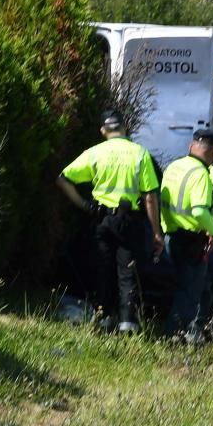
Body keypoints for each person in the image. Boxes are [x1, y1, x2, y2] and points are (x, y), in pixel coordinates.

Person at [57, 110, 163, 334]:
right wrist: (156, 232)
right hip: (129, 221)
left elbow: (63, 179)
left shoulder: (94, 153)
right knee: (127, 273)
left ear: (103, 130)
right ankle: (128, 325)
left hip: (102, 220)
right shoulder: (139, 154)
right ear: (125, 128)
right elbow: (150, 196)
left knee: (102, 270)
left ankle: (104, 320)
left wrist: (84, 205)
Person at [160, 129, 213, 341]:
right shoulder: (201, 175)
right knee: (189, 294)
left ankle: (194, 335)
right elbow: (198, 211)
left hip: (171, 235)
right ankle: (173, 337)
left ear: (191, 146)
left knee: (202, 291)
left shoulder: (174, 166)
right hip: (192, 240)